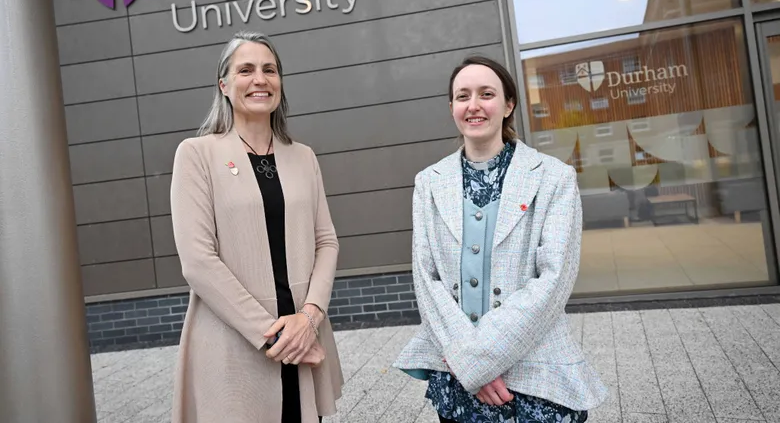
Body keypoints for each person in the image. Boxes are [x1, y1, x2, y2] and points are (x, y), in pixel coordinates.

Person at [393, 56, 608, 422]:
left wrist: (479, 360)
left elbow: (554, 280)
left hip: (535, 374)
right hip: (456, 377)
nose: (473, 105)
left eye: (486, 94)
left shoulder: (554, 178)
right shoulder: (429, 181)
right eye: (463, 96)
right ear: (452, 108)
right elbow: (426, 280)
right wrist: (468, 362)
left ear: (508, 105)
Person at [169, 31, 343, 423]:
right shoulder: (197, 155)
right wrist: (279, 336)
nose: (260, 79)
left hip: (304, 335)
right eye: (245, 70)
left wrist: (310, 318)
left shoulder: (302, 156)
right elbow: (197, 261)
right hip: (235, 343)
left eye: (270, 69)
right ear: (224, 85)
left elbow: (326, 241)